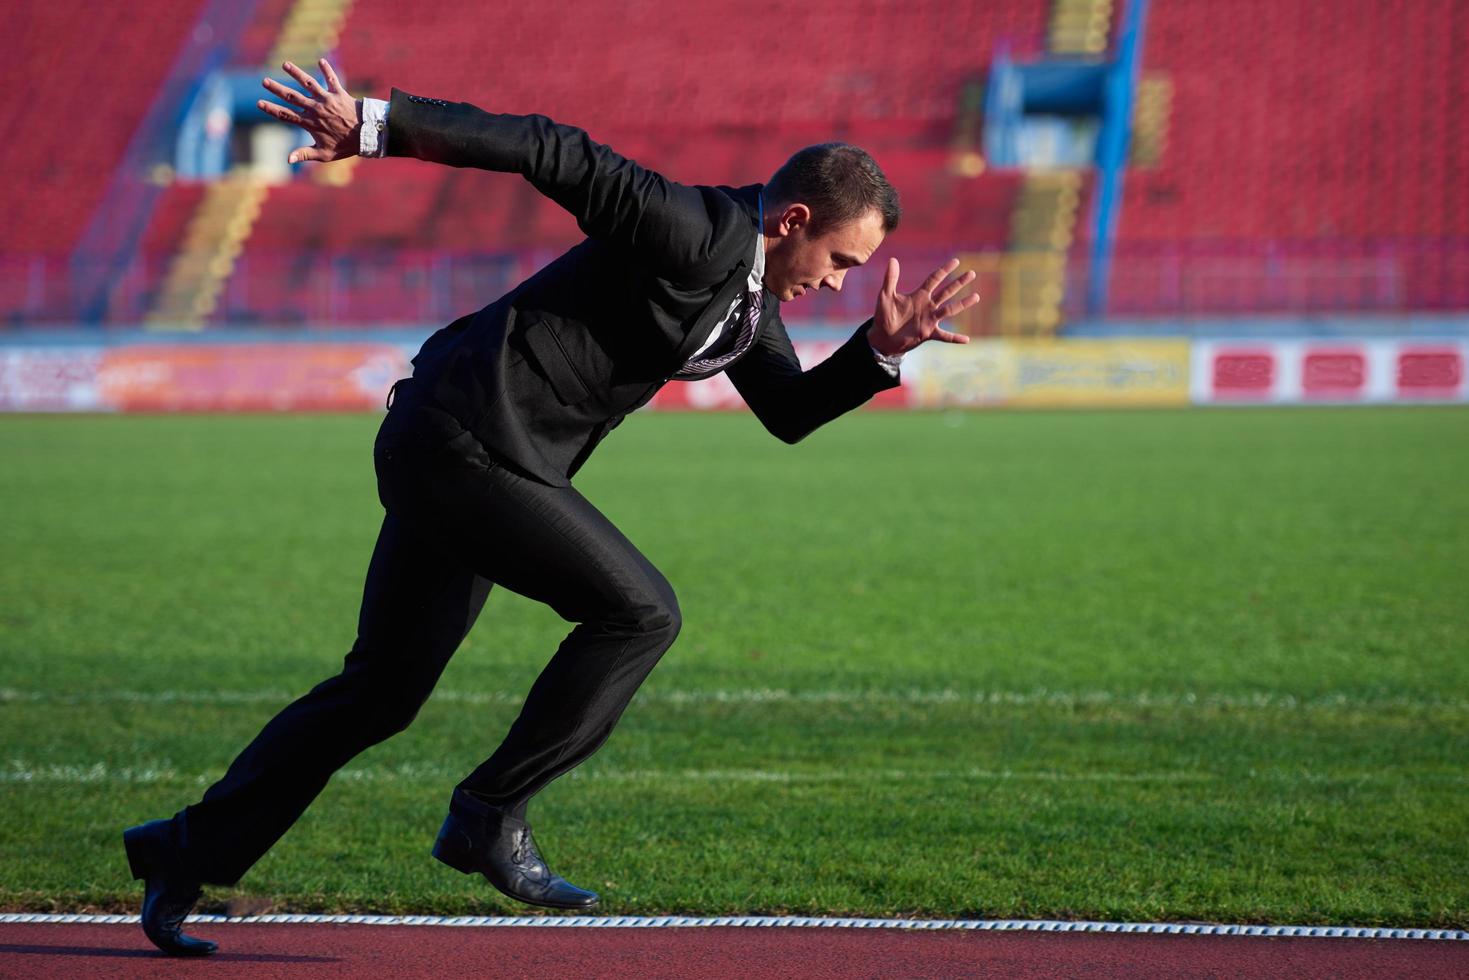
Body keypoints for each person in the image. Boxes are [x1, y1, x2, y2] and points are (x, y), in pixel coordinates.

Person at [122, 57, 980, 956]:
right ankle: (488, 815)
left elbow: (790, 412)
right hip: (464, 443)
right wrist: (377, 126)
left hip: (464, 452)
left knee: (379, 693)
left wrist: (877, 352)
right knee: (641, 613)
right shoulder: (694, 229)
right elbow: (549, 148)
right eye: (841, 260)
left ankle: (184, 853)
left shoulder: (746, 300)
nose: (841, 280)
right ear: (793, 220)